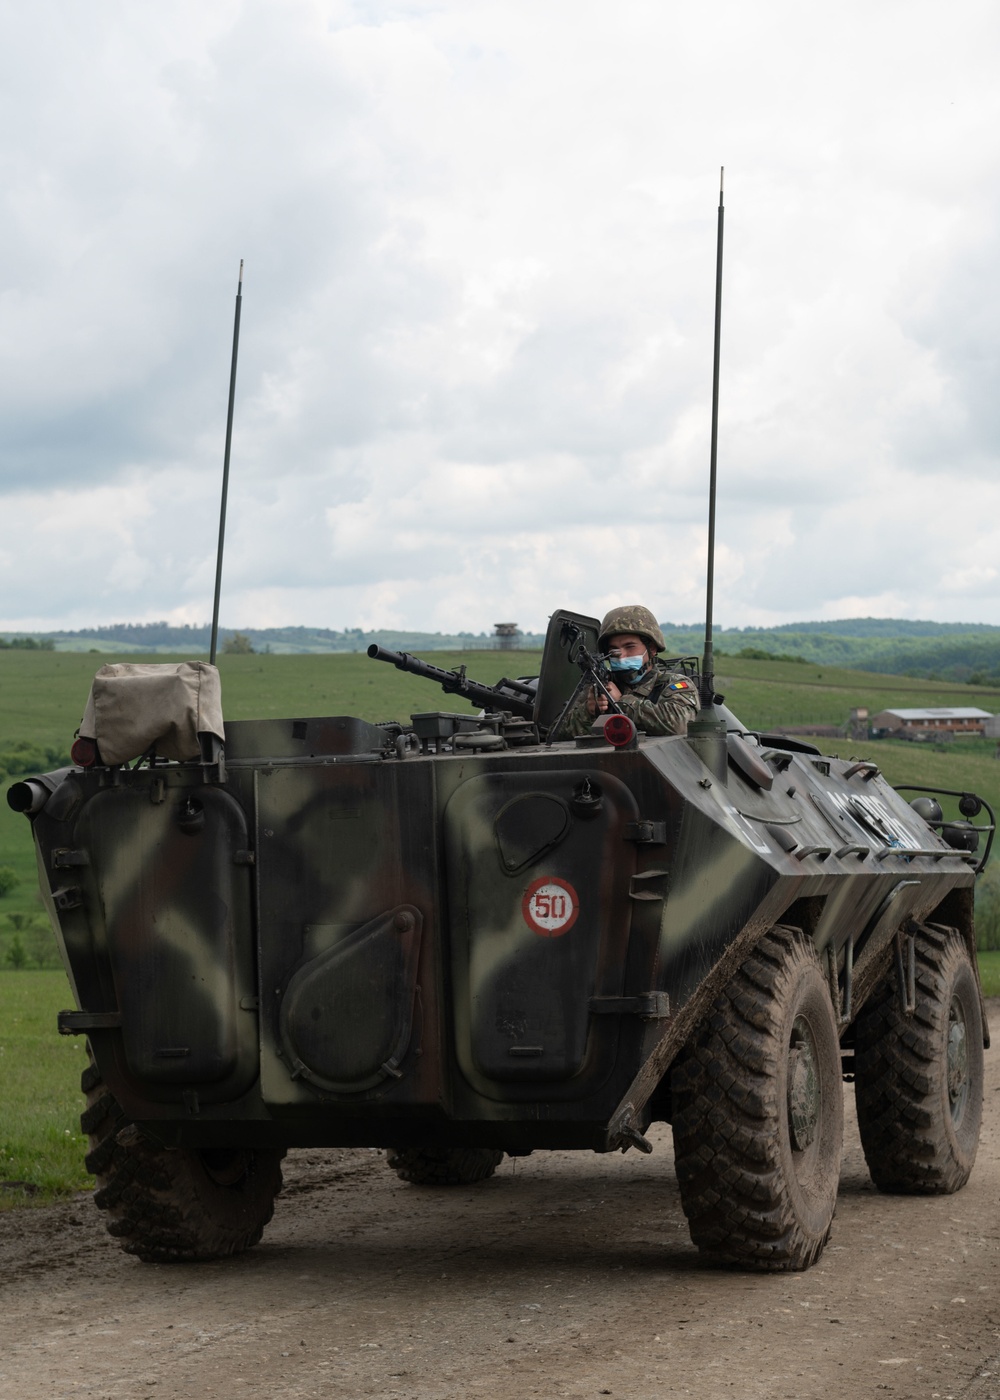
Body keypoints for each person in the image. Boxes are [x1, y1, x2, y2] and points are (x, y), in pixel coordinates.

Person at [552, 604, 699, 739]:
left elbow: (680, 723)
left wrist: (621, 702)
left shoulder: (674, 684)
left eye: (630, 647)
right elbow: (554, 733)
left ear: (652, 649)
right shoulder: (599, 687)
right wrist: (589, 712)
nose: (621, 655)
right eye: (614, 649)